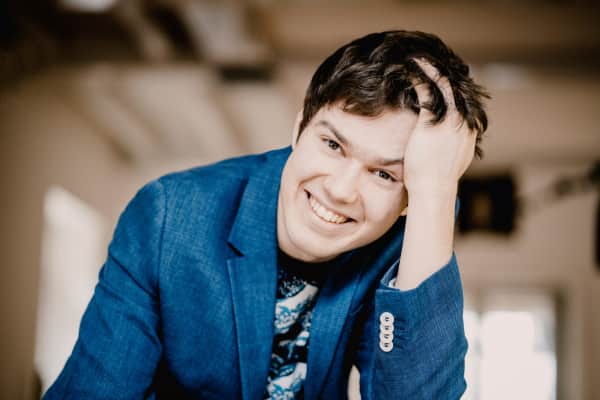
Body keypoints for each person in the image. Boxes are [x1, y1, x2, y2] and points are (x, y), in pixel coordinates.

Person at [44, 30, 489, 399]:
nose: (340, 190)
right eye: (332, 145)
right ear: (299, 128)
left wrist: (436, 193)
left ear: (409, 199)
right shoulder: (169, 216)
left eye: (385, 175)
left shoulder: (404, 243)